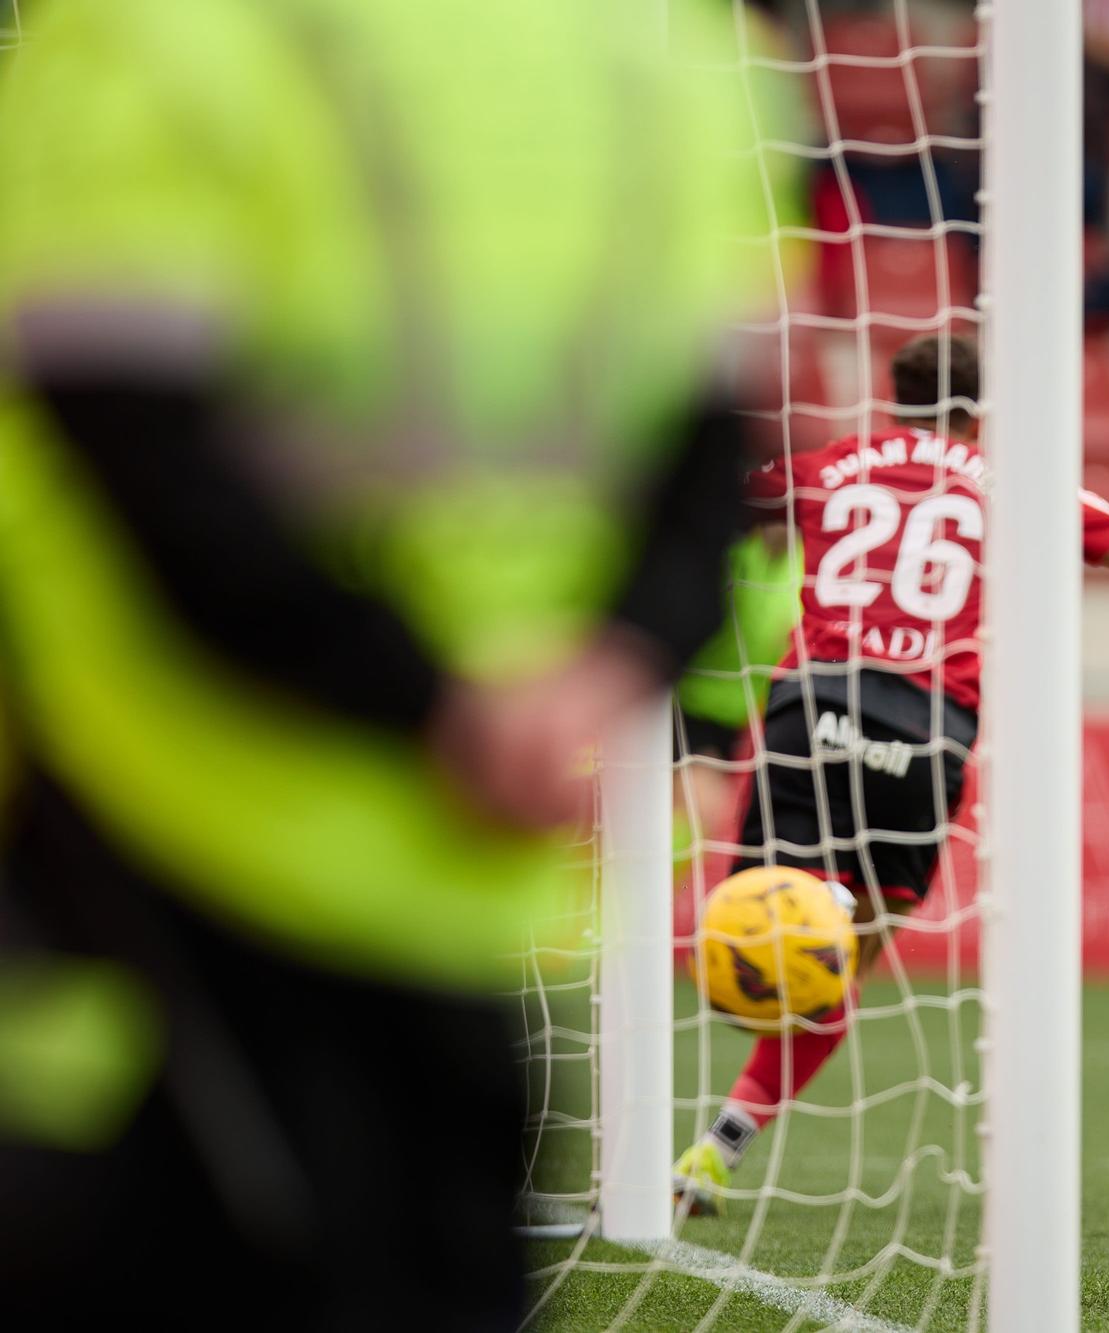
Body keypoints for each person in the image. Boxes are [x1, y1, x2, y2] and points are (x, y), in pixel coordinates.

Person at [0, 1, 780, 1324]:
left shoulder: (157, 34)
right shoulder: (679, 58)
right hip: (455, 880)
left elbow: (116, 426)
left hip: (150, 833)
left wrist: (431, 706)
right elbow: (714, 459)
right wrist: (602, 673)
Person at [670, 333, 1109, 1211]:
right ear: (982, 411)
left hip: (807, 714)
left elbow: (715, 505)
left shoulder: (836, 464)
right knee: (841, 961)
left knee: (754, 929)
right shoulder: (1005, 484)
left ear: (890, 397)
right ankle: (725, 1140)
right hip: (923, 734)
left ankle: (709, 1140)